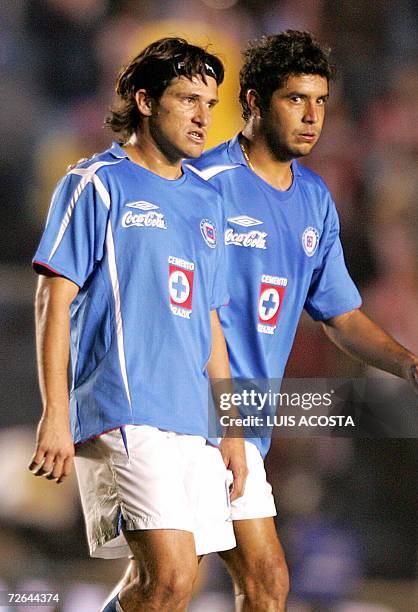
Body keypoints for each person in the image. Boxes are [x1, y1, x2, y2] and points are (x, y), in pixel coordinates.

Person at [188, 30, 418, 611]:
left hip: (241, 423)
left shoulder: (314, 201)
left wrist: (407, 363)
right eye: (295, 99)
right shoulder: (202, 185)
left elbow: (341, 314)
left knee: (267, 584)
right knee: (170, 583)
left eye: (321, 102)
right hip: (182, 413)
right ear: (253, 102)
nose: (312, 116)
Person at [28, 37, 247, 612]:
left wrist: (230, 428)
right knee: (170, 577)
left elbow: (210, 321)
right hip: (123, 409)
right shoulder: (95, 183)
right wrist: (55, 414)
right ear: (145, 101)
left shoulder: (207, 200)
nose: (204, 116)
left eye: (210, 101)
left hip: (192, 421)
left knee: (164, 587)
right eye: (187, 99)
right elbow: (54, 299)